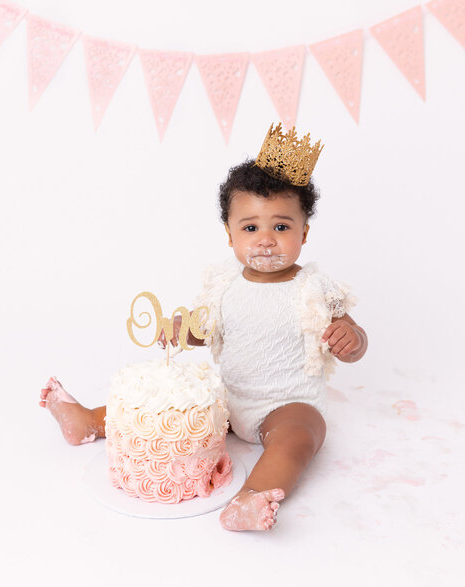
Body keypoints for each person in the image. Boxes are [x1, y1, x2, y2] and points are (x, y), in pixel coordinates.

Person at [39, 125, 368, 531]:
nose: (265, 240)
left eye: (281, 227)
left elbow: (352, 336)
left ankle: (252, 497)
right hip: (228, 400)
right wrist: (181, 331)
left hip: (289, 403)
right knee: (173, 412)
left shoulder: (315, 287)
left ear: (305, 232)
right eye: (251, 228)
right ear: (230, 236)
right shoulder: (224, 284)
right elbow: (205, 329)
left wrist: (351, 339)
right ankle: (89, 420)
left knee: (299, 437)